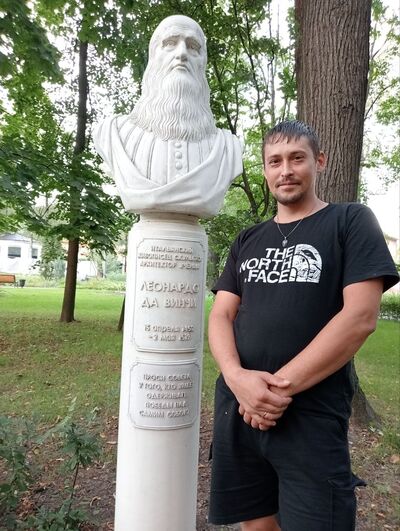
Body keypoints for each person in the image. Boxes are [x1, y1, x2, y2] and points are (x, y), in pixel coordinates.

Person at [208, 120, 399, 531]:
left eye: (297, 158)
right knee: (255, 524)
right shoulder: (247, 239)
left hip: (309, 414)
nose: (285, 170)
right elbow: (222, 315)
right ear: (265, 170)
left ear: (320, 161)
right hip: (237, 408)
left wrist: (273, 392)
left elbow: (360, 317)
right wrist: (237, 379)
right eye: (274, 161)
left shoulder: (350, 221)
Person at [94, 15, 242, 219]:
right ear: (153, 55)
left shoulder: (227, 146)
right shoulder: (113, 134)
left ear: (203, 62)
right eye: (170, 43)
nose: (181, 53)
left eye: (193, 46)